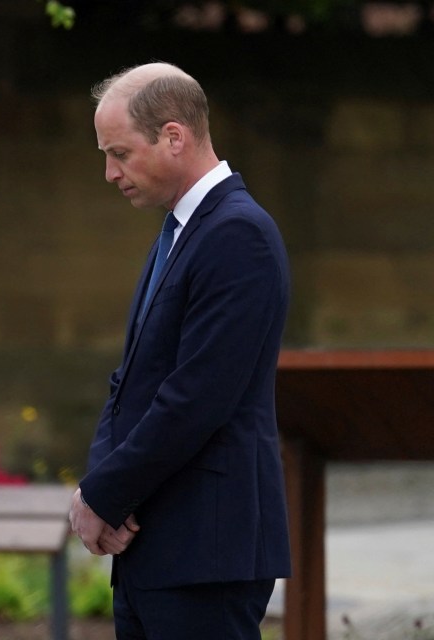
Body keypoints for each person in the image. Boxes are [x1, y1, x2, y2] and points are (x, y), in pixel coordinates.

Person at [68, 62, 292, 639]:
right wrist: (103, 489)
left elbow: (196, 397)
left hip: (207, 552)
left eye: (119, 152)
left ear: (174, 136)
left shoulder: (238, 234)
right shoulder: (179, 230)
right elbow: (131, 381)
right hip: (156, 545)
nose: (109, 172)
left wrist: (104, 495)